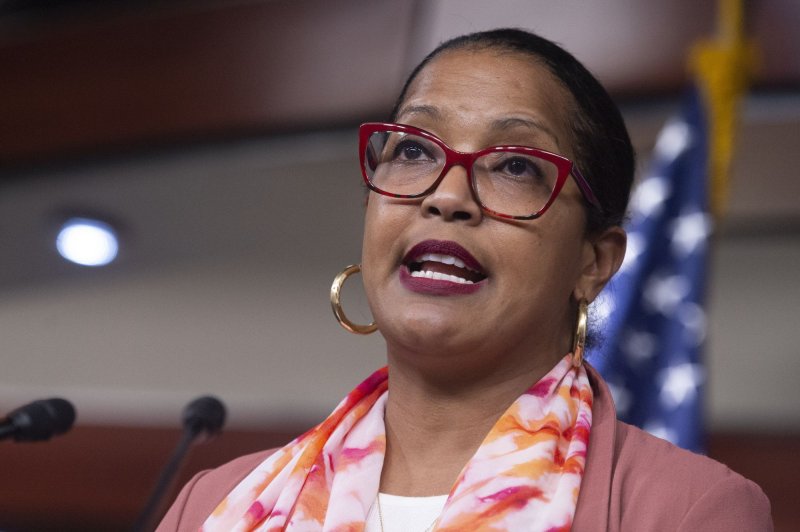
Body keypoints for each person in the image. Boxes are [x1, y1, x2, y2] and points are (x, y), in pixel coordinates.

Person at [158, 28, 772, 531]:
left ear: (593, 262)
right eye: (415, 151)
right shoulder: (210, 504)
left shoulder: (692, 510)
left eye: (514, 165)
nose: (448, 196)